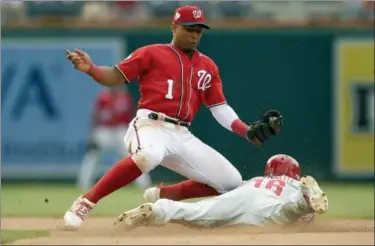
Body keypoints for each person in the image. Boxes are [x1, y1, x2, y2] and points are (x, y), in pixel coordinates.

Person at [64, 5, 283, 230]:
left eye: (199, 30)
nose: (194, 35)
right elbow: (113, 77)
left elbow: (219, 108)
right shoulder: (151, 52)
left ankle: (164, 194)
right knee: (148, 156)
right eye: (189, 28)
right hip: (150, 125)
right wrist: (91, 69)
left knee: (231, 182)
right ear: (174, 26)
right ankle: (86, 201)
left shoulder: (207, 66)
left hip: (182, 133)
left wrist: (245, 131)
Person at [114, 154, 329, 229]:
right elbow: (305, 221)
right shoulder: (292, 184)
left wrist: (165, 191)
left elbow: (212, 187)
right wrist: (306, 211)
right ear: (294, 173)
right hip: (271, 206)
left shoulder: (256, 180)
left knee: (196, 213)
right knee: (287, 213)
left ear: (269, 170)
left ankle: (158, 210)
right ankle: (304, 200)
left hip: (243, 194)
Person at [77, 86, 152, 191]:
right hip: (104, 130)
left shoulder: (124, 97)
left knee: (134, 156)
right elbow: (94, 116)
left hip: (120, 130)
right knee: (93, 156)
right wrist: (92, 134)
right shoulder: (103, 98)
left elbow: (131, 116)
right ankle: (83, 183)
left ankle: (144, 185)